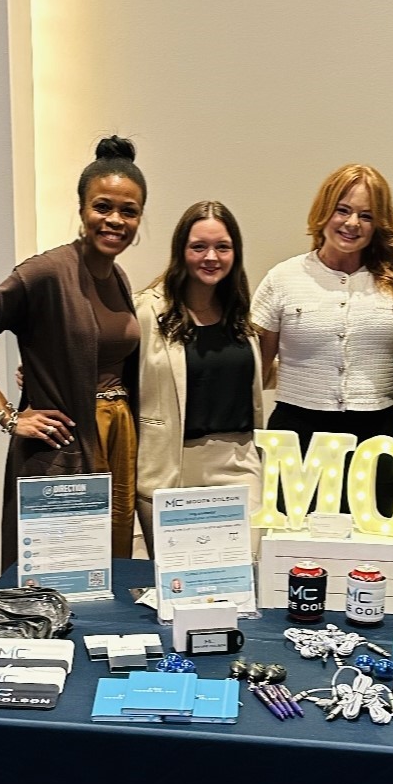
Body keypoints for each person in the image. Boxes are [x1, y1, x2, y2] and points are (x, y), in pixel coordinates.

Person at [0, 135, 146, 568]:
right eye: (103, 207)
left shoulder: (119, 278)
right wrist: (8, 416)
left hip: (116, 439)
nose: (115, 220)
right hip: (63, 450)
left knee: (108, 570)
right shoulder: (47, 272)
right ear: (81, 210)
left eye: (128, 211)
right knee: (59, 578)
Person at [251, 164, 393, 458]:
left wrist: (371, 385)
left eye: (366, 215)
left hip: (376, 436)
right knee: (294, 507)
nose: (352, 223)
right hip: (296, 436)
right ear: (324, 211)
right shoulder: (283, 278)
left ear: (379, 223)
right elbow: (256, 372)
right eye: (342, 210)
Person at [135, 201, 264, 553]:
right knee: (177, 586)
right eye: (199, 247)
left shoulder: (240, 316)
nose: (211, 257)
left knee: (241, 578)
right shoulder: (148, 312)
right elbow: (110, 368)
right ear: (181, 251)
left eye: (222, 247)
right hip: (171, 468)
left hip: (238, 465)